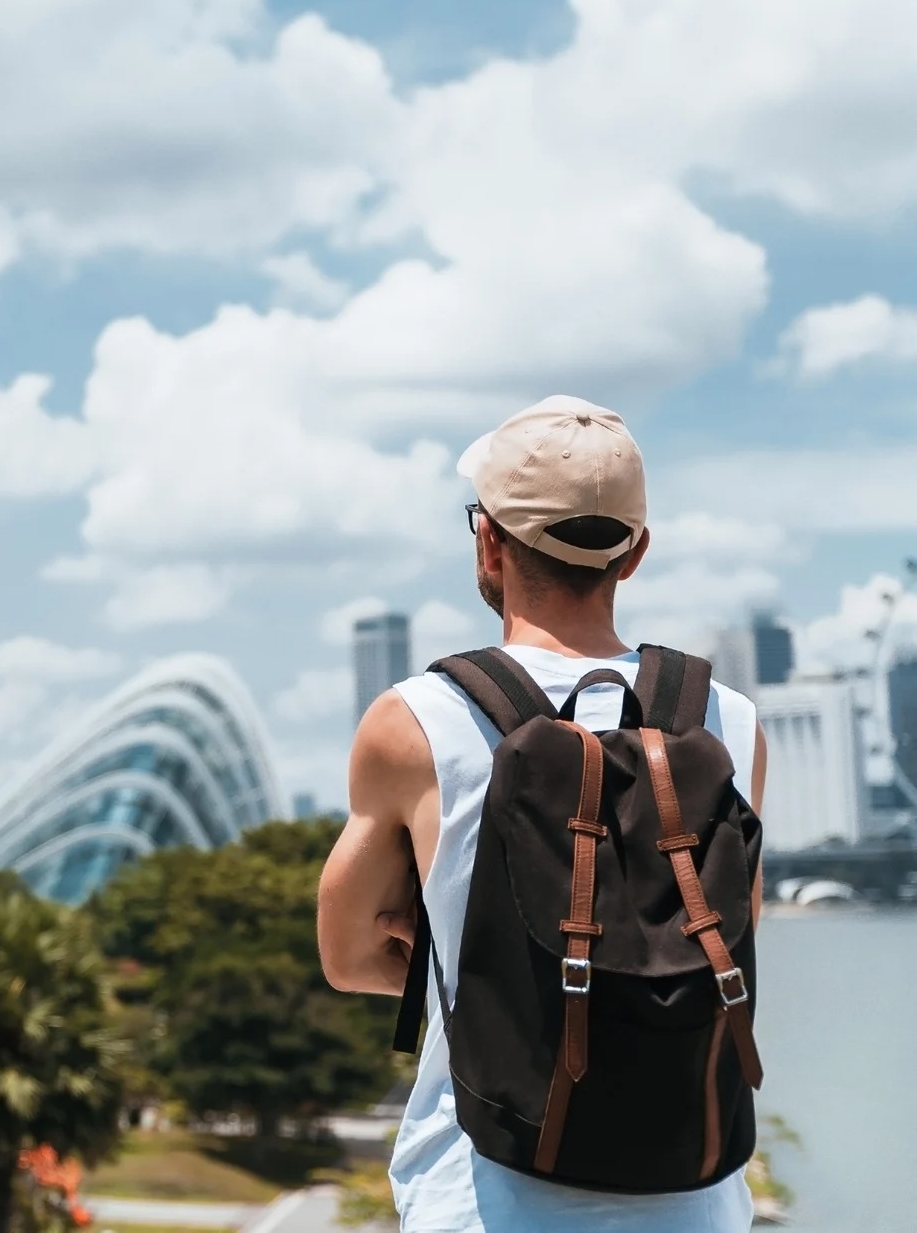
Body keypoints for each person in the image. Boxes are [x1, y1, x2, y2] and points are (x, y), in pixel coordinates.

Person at [317, 395, 768, 1232]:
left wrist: (478, 955)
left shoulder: (415, 721)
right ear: (633, 553)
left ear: (487, 538)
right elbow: (718, 937)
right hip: (692, 1197)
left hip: (484, 1194)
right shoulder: (727, 721)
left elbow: (347, 957)